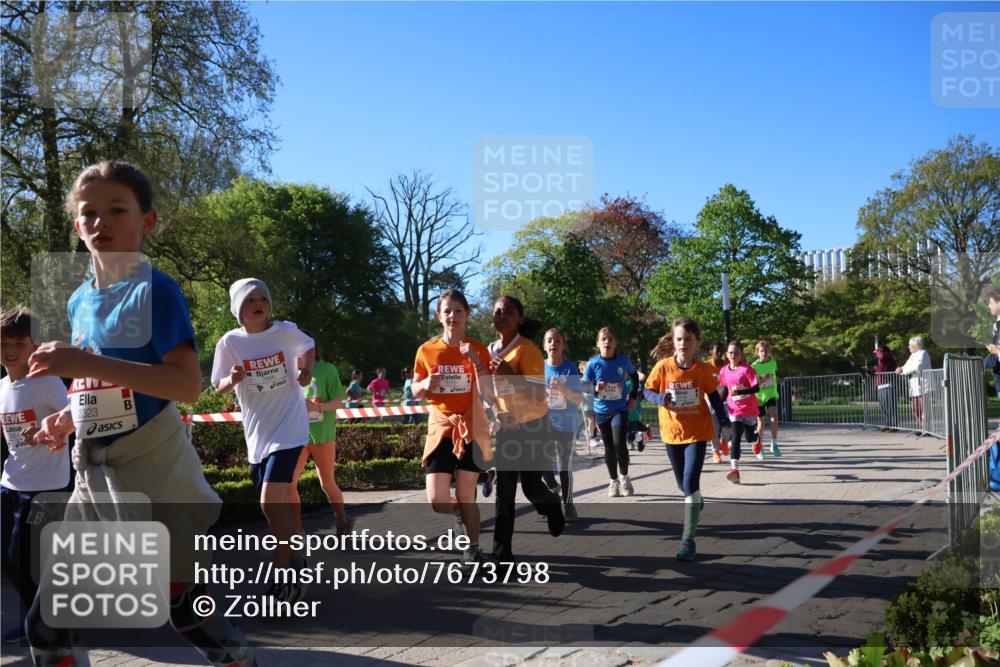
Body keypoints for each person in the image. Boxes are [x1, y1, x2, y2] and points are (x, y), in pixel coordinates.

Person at [25, 161, 254, 667]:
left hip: (154, 473)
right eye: (88, 213)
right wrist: (67, 417)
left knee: (184, 610)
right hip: (94, 478)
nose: (99, 222)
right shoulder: (81, 298)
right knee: (44, 627)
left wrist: (80, 361)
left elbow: (186, 386)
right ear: (75, 225)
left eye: (116, 210)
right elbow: (101, 381)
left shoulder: (155, 289)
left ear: (146, 221)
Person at [211, 277, 316, 602]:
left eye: (262, 298)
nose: (257, 303)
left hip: (290, 427)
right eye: (249, 299)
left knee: (270, 502)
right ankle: (298, 558)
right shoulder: (230, 343)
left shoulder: (284, 331)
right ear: (237, 310)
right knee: (276, 509)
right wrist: (232, 378)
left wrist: (307, 371)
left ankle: (283, 576)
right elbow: (217, 386)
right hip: (258, 435)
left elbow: (308, 344)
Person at [0, 306, 71, 644]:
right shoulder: (2, 387)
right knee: (12, 563)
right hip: (10, 483)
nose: (9, 351)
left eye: (18, 343)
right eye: (3, 343)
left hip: (46, 487)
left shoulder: (46, 383)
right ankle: (35, 621)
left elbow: (72, 421)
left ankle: (44, 623)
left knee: (26, 560)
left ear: (34, 345)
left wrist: (47, 432)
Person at [411, 289, 495, 565]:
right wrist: (425, 385)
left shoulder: (477, 348)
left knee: (464, 492)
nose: (452, 315)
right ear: (439, 316)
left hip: (471, 425)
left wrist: (476, 362)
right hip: (442, 428)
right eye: (447, 310)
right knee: (436, 500)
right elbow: (415, 388)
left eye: (458, 310)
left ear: (467, 316)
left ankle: (472, 548)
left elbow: (488, 392)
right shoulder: (427, 350)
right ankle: (459, 513)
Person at [645, 318, 731, 560]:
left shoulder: (703, 369)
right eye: (679, 339)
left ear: (697, 343)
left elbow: (714, 397)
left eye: (688, 339)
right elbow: (647, 391)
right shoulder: (662, 367)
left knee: (690, 485)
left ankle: (687, 540)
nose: (683, 343)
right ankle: (696, 499)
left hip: (697, 433)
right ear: (673, 341)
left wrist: (723, 420)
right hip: (671, 434)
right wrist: (661, 399)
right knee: (683, 487)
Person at [488, 296, 564, 562]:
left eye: (508, 311)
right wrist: (495, 411)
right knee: (504, 492)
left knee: (532, 488)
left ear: (520, 318)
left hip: (535, 426)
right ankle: (501, 556)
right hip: (508, 427)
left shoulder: (527, 350)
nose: (502, 315)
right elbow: (488, 390)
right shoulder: (491, 350)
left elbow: (538, 394)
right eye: (497, 311)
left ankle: (552, 506)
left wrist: (510, 374)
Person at [292, 330, 351, 536]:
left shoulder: (327, 369)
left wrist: (318, 407)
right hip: (295, 437)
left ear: (311, 350)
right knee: (290, 484)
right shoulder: (288, 372)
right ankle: (296, 529)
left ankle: (343, 520)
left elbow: (338, 400)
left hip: (323, 436)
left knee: (327, 483)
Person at [584, 328, 640, 497]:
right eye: (603, 339)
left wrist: (633, 396)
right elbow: (584, 386)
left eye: (610, 339)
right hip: (601, 411)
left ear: (615, 343)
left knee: (619, 444)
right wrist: (595, 388)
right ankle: (613, 481)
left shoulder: (623, 361)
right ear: (598, 343)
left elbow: (635, 376)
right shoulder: (593, 363)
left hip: (620, 409)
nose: (607, 342)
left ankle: (624, 477)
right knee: (608, 447)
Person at [542, 327, 583, 522]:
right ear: (544, 345)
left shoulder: (570, 368)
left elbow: (578, 399)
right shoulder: (539, 367)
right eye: (549, 340)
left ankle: (568, 504)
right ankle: (552, 486)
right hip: (544, 422)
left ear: (563, 345)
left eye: (557, 340)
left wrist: (561, 389)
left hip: (566, 424)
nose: (553, 344)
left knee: (563, 464)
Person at [718, 340, 761, 482]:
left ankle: (756, 439)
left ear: (741, 355)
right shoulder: (724, 371)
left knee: (748, 438)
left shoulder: (747, 369)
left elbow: (756, 388)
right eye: (730, 352)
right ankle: (735, 470)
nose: (733, 355)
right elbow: (724, 389)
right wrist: (719, 403)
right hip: (734, 409)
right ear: (726, 354)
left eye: (736, 353)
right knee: (736, 437)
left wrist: (742, 391)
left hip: (749, 409)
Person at [895, 336, 932, 431]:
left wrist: (903, 371)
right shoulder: (912, 355)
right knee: (916, 409)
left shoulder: (923, 353)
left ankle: (926, 428)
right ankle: (920, 427)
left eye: (910, 345)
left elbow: (917, 366)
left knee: (924, 409)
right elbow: (907, 365)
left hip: (924, 386)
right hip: (915, 387)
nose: (908, 347)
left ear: (916, 345)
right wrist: (901, 368)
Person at [752, 340, 781, 457]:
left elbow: (774, 375)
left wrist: (776, 379)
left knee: (774, 418)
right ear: (757, 353)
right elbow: (753, 382)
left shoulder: (773, 363)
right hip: (759, 397)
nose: (764, 353)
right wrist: (762, 380)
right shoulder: (754, 366)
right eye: (761, 351)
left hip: (771, 395)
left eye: (766, 351)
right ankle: (760, 447)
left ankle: (774, 444)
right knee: (761, 423)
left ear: (769, 352)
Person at [705, 342, 730, 463]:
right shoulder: (705, 366)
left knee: (729, 421)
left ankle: (725, 441)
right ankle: (715, 451)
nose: (719, 354)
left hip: (725, 398)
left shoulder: (727, 365)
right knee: (714, 424)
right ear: (711, 352)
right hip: (711, 399)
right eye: (717, 351)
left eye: (721, 351)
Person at [873, 342, 899, 430]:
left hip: (888, 385)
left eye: (879, 351)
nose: (877, 353)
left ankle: (894, 426)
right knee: (884, 407)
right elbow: (877, 370)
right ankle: (888, 424)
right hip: (880, 386)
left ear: (884, 352)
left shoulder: (888, 358)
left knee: (891, 407)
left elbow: (882, 357)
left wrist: (878, 351)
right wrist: (871, 371)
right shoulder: (881, 362)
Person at [626, 371, 648, 453]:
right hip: (620, 412)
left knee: (630, 432)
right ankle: (632, 442)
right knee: (622, 432)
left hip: (632, 413)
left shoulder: (633, 382)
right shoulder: (618, 381)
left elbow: (642, 377)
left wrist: (635, 372)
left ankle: (639, 438)